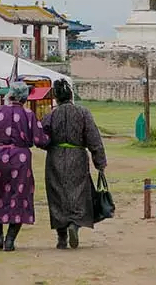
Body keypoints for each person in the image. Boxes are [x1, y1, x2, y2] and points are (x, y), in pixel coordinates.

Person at [0, 82, 49, 251]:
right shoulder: (29, 115)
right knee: (19, 197)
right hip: (20, 160)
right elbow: (40, 140)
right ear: (24, 97)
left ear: (10, 94)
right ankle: (10, 240)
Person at [40, 78, 107, 250]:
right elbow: (94, 139)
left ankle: (61, 238)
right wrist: (100, 163)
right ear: (71, 95)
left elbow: (41, 139)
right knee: (78, 194)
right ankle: (74, 226)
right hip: (77, 157)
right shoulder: (83, 112)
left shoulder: (51, 115)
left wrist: (50, 144)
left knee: (57, 196)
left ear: (56, 98)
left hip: (55, 158)